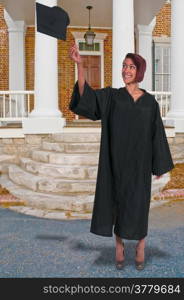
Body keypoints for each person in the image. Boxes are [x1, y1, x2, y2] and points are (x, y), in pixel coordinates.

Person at [69, 44, 174, 271]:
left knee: (138, 205)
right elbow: (87, 97)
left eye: (131, 67)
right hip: (115, 163)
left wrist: (159, 165)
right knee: (116, 203)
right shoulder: (111, 96)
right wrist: (80, 65)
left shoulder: (150, 103)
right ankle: (119, 247)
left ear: (140, 71)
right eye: (124, 66)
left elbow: (157, 133)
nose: (126, 70)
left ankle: (140, 246)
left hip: (140, 164)